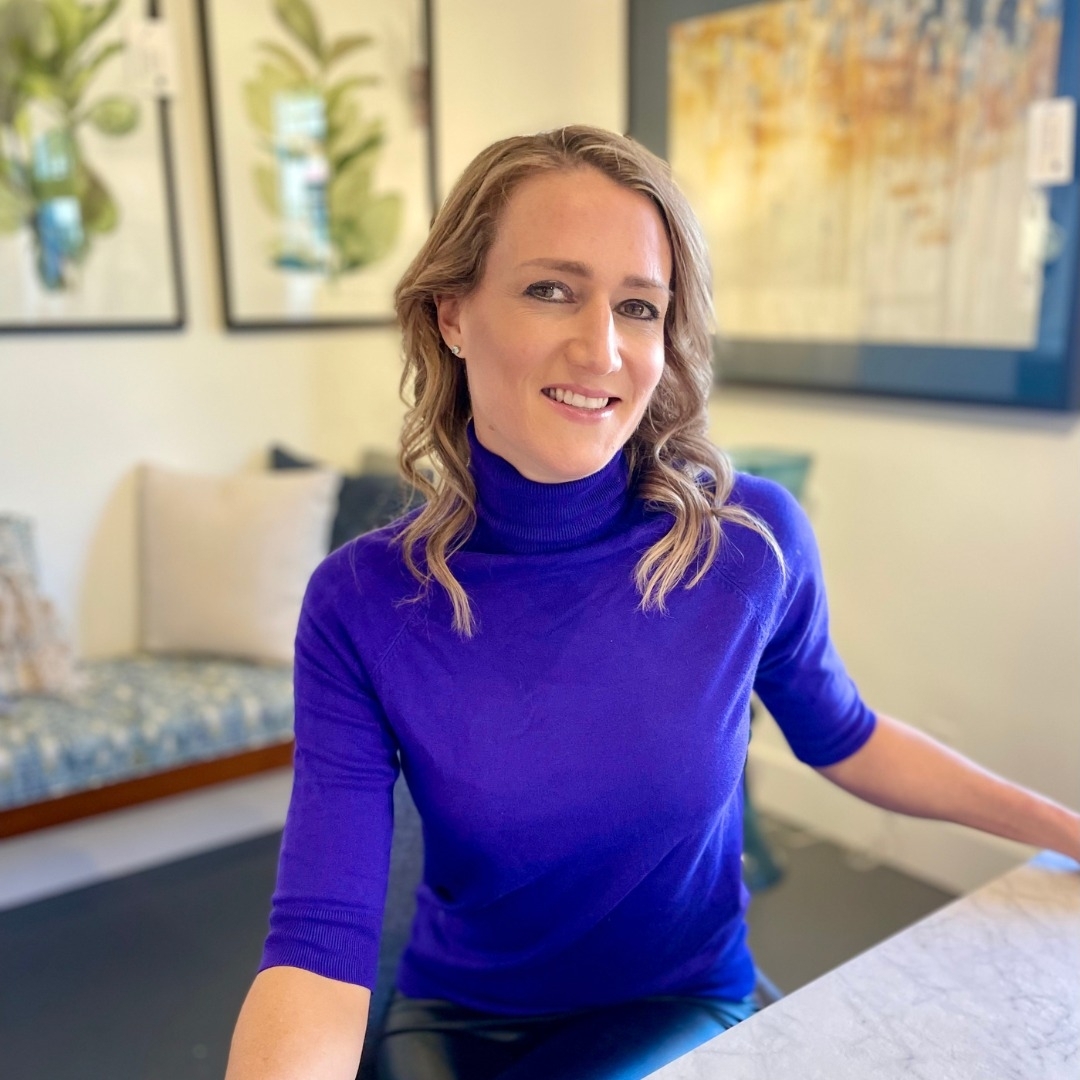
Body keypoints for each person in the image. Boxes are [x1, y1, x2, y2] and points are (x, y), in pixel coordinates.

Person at [225, 126, 1080, 1080]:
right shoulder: (362, 602)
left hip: (681, 1004)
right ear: (452, 314)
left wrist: (1062, 830)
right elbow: (320, 937)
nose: (601, 348)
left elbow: (847, 735)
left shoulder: (748, 545)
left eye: (638, 307)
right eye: (552, 290)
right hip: (458, 1018)